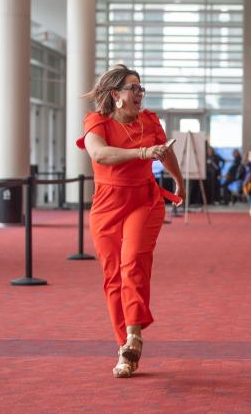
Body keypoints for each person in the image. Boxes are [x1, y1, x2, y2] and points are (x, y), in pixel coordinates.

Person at [76, 64, 185, 378]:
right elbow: (100, 155)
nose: (139, 93)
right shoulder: (96, 121)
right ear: (116, 95)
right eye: (133, 88)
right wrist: (143, 153)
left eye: (141, 88)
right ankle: (125, 348)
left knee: (133, 263)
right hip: (107, 204)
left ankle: (134, 334)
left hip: (144, 200)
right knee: (113, 277)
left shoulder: (150, 120)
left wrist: (178, 180)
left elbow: (164, 154)